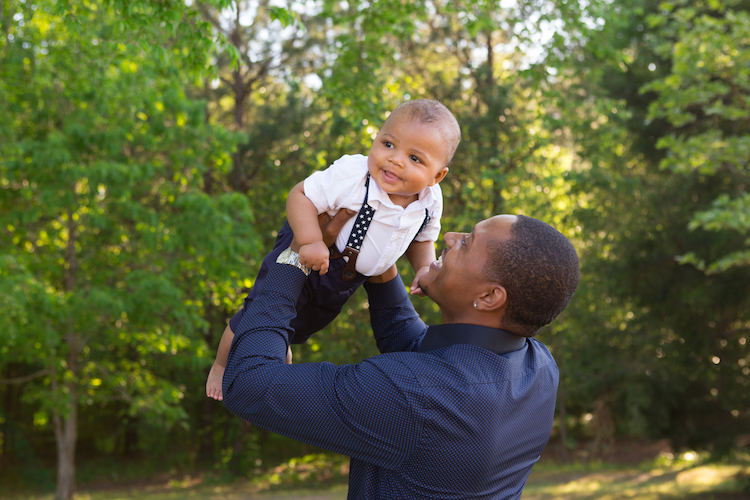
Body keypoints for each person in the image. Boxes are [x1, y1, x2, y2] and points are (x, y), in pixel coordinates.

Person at [222, 211, 580, 500]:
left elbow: (250, 383)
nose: (451, 237)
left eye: (467, 243)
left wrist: (295, 255)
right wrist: (379, 252)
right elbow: (409, 342)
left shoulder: (417, 396)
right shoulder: (538, 365)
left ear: (489, 297)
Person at [206, 99, 461, 400]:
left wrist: (423, 268)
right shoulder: (354, 175)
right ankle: (221, 365)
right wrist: (311, 239)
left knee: (306, 322)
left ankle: (279, 338)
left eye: (415, 158)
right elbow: (300, 194)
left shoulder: (430, 201)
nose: (395, 159)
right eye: (388, 144)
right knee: (260, 311)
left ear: (437, 176)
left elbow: (422, 239)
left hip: (346, 278)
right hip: (309, 249)